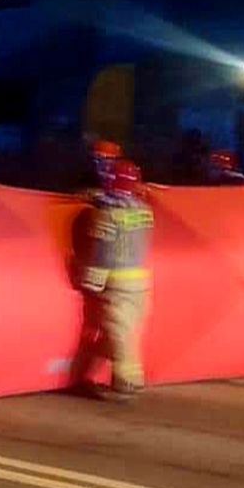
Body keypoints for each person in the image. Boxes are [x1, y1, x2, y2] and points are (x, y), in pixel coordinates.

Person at [77, 159, 155, 402]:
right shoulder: (144, 211)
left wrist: (90, 280)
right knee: (125, 332)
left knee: (117, 333)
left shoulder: (107, 215)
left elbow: (102, 251)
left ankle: (128, 380)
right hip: (141, 282)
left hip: (116, 283)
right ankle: (85, 376)